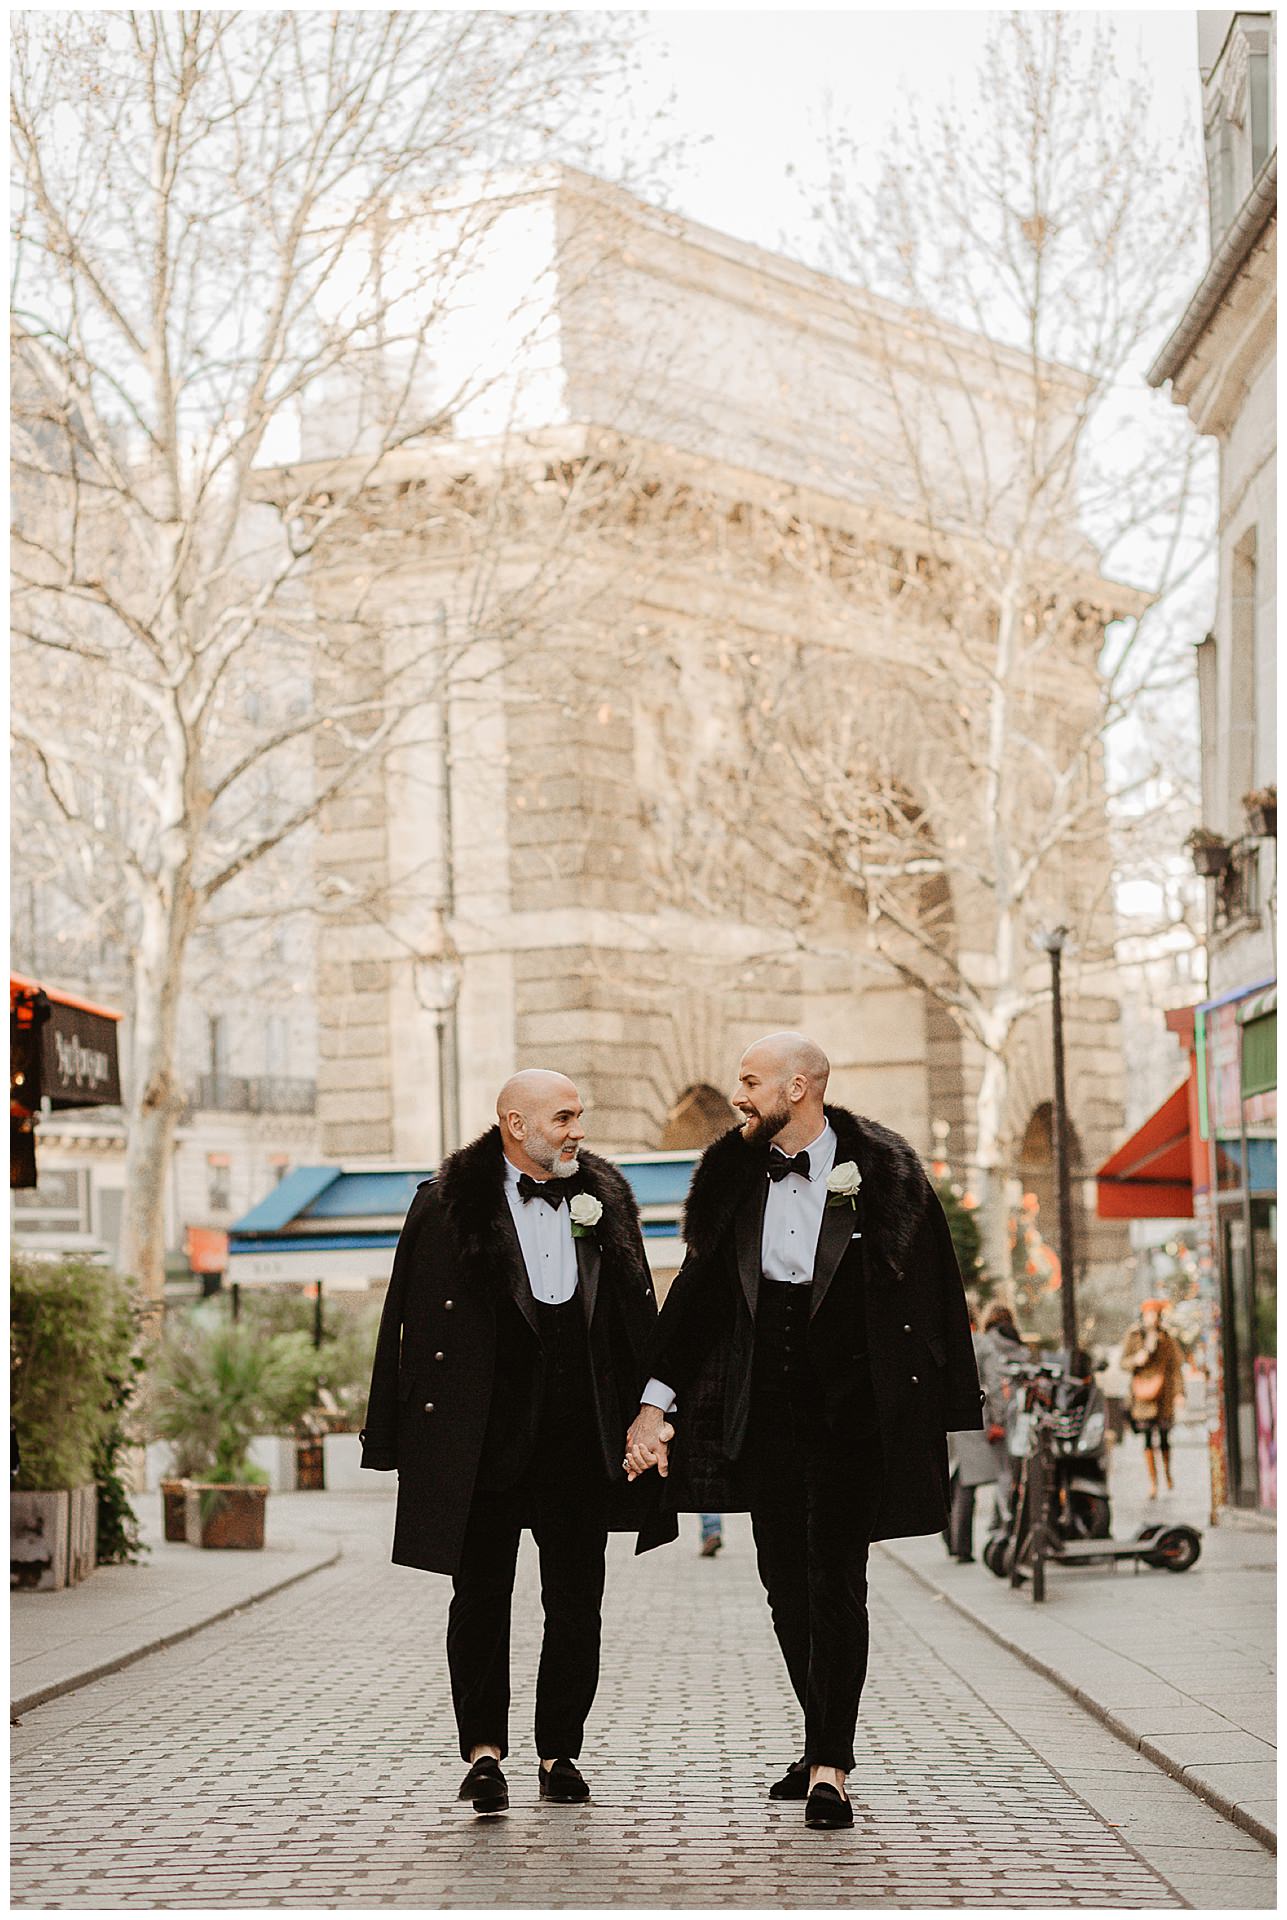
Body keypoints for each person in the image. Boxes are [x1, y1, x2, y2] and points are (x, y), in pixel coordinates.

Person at [623, 1033, 983, 1831]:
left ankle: (831, 1766)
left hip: (854, 1415)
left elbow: (936, 1294)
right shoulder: (730, 1177)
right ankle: (820, 1735)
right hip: (764, 1413)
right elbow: (699, 1297)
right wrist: (654, 1402)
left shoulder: (887, 1175)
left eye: (749, 1081)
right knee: (784, 1586)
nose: (737, 1094)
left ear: (799, 1085)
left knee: (834, 1581)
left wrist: (955, 1411)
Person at [360, 1069, 675, 1817]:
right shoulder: (443, 1203)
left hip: (578, 1435)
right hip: (480, 1439)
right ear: (514, 1122)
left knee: (577, 1601)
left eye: (578, 1116)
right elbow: (403, 1320)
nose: (577, 1130)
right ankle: (483, 1755)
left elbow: (638, 1310)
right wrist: (394, 1431)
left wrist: (652, 1410)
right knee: (480, 1598)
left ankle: (559, 1749)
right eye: (563, 1117)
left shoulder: (608, 1197)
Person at [945, 1310, 997, 1562]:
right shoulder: (980, 1344)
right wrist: (996, 1418)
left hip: (945, 1420)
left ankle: (950, 1537)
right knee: (967, 1483)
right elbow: (994, 1384)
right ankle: (961, 1545)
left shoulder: (942, 1339)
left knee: (952, 1479)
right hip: (971, 1417)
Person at [1121, 1299, 1185, 1496]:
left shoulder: (1167, 1338)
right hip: (1143, 1395)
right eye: (1149, 1314)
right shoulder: (1134, 1336)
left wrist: (1179, 1392)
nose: (1152, 1318)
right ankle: (1153, 1482)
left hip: (1163, 1395)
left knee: (1165, 1437)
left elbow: (1176, 1367)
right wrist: (1136, 1359)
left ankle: (1167, 1474)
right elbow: (1123, 1362)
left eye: (1155, 1314)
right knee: (1148, 1438)